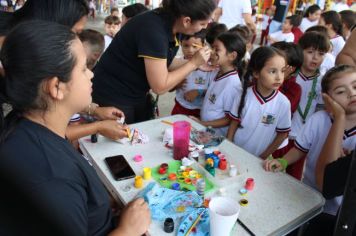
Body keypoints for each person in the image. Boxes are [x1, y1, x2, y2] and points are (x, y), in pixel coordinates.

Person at [0, 20, 150, 236]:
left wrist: (97, 205)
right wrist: (129, 229)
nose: (91, 74)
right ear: (56, 87)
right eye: (83, 69)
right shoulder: (52, 177)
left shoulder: (25, 123)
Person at [93, 0, 216, 124]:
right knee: (122, 138)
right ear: (187, 21)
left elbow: (164, 64)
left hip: (135, 92)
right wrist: (193, 63)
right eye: (203, 23)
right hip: (114, 94)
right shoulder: (154, 30)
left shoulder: (173, 25)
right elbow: (159, 86)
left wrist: (199, 64)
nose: (205, 27)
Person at [264, 65, 356, 229]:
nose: (351, 93)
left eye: (355, 86)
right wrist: (284, 161)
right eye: (341, 91)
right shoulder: (319, 119)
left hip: (338, 212)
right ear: (327, 99)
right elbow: (300, 149)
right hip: (307, 196)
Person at [226, 47, 291, 159]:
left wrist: (263, 156)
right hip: (235, 152)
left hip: (260, 159)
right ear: (256, 73)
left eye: (283, 71)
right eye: (273, 71)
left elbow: (282, 135)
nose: (279, 77)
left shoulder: (283, 103)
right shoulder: (243, 95)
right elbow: (233, 124)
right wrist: (229, 146)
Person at [192, 32, 246, 136]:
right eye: (212, 47)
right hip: (207, 131)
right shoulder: (217, 72)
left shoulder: (232, 84)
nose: (211, 52)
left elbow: (228, 119)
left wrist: (202, 123)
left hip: (216, 136)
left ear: (232, 56)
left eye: (217, 49)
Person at [171, 31, 211, 117]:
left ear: (203, 45)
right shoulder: (176, 63)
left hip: (201, 111)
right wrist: (176, 84)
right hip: (180, 107)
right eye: (186, 46)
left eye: (195, 46)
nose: (190, 50)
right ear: (181, 44)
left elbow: (217, 91)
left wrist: (199, 92)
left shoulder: (210, 67)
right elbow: (168, 88)